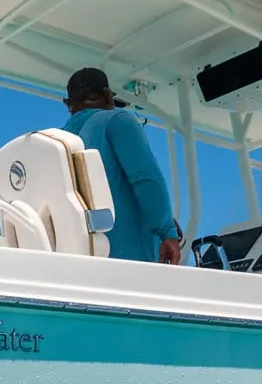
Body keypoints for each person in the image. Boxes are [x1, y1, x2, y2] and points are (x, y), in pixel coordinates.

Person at [61, 67, 183, 264]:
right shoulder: (117, 120)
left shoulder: (59, 141)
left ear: (69, 105)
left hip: (82, 263)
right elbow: (145, 179)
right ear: (108, 96)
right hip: (131, 263)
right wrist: (167, 231)